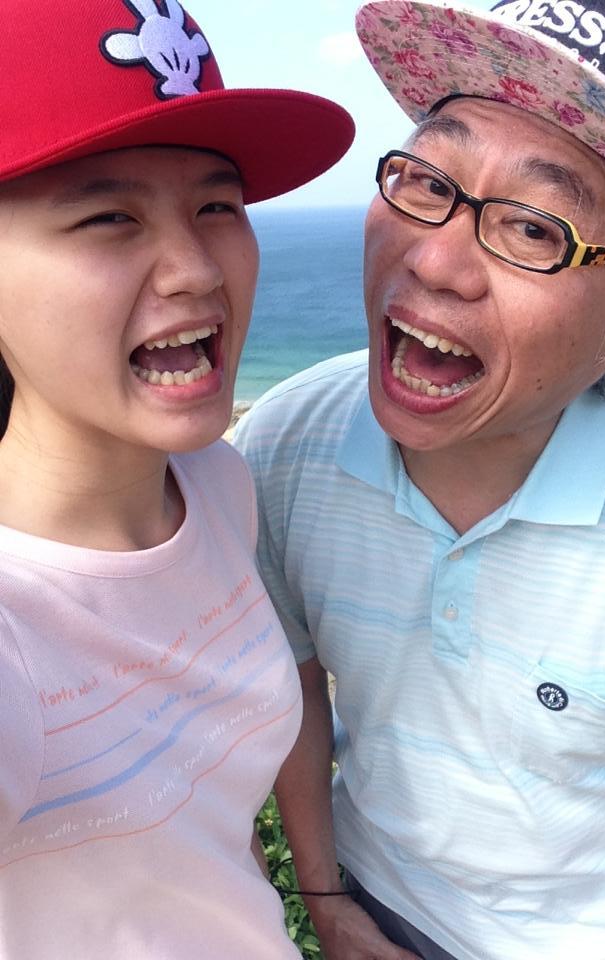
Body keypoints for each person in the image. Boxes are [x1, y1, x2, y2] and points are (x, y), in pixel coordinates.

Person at [234, 1, 605, 958]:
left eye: (535, 229)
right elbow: (294, 669)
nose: (434, 259)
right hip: (374, 902)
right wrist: (324, 896)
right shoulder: (289, 439)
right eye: (428, 181)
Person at [0, 0, 354, 957]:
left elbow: (201, 808)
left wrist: (315, 896)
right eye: (109, 217)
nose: (197, 269)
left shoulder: (215, 485)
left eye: (217, 207)